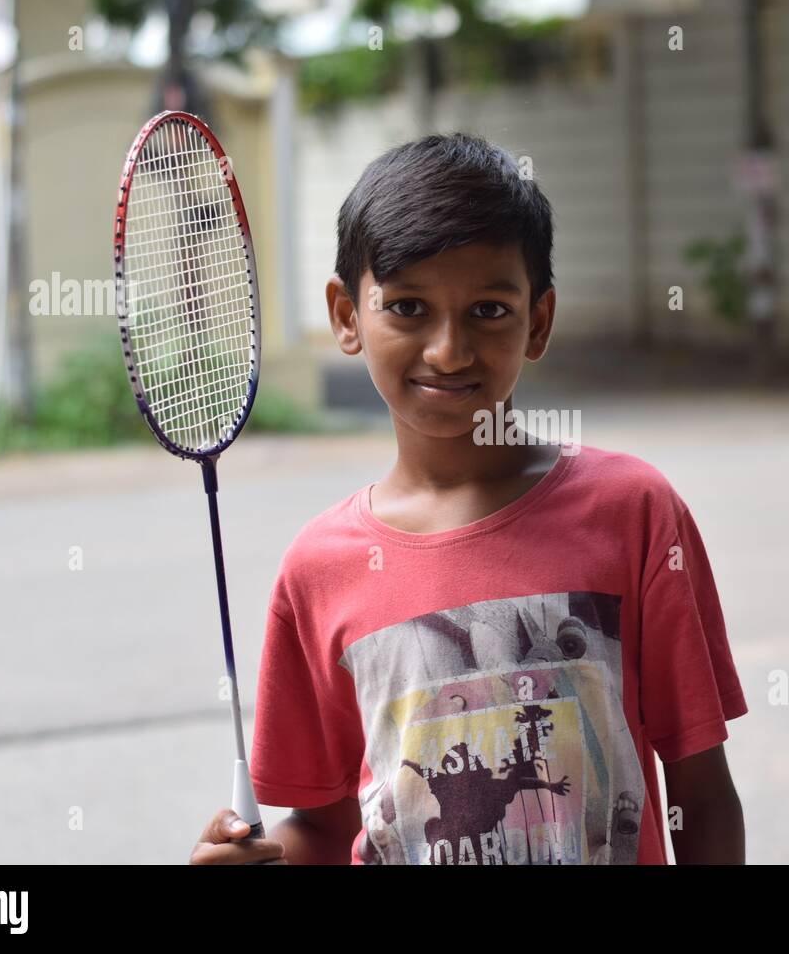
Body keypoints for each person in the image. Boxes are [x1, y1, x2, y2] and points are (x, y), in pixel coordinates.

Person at [189, 132, 748, 865]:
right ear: (346, 315)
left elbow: (701, 797)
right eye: (409, 307)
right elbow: (322, 828)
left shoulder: (635, 513)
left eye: (488, 310)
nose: (448, 350)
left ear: (538, 320)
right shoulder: (317, 570)